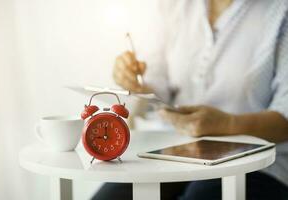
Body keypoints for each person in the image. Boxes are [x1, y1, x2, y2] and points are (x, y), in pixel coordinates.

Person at [93, 0, 288, 199]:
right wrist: (135, 82)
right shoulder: (174, 6)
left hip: (258, 165)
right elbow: (157, 83)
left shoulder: (280, 10)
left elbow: (285, 117)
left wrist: (228, 124)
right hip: (176, 154)